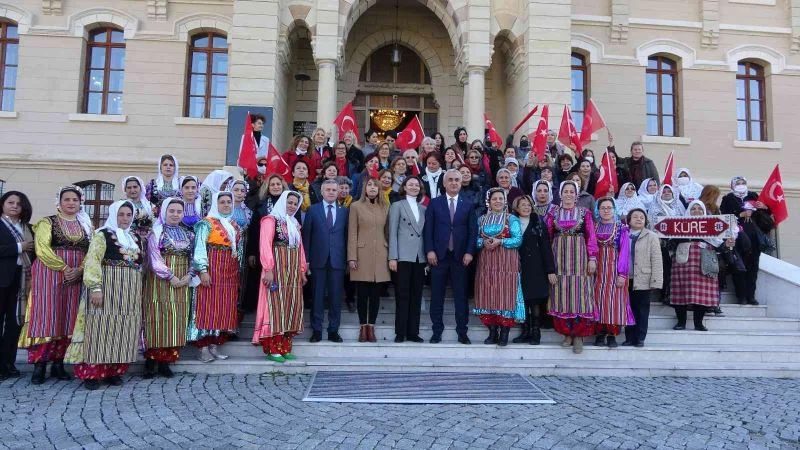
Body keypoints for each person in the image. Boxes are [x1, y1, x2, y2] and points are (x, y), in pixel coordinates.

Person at [65, 200, 143, 390]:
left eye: (128, 215)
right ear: (114, 214)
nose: (125, 218)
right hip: (107, 288)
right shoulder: (102, 234)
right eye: (121, 214)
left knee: (122, 330)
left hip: (128, 292)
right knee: (99, 329)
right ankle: (92, 374)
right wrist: (96, 288)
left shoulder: (134, 237)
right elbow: (92, 261)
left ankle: (113, 371)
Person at [19, 186, 92, 384]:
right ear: (59, 202)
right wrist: (64, 267)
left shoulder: (85, 225)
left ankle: (59, 363)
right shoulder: (47, 222)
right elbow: (42, 248)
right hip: (49, 272)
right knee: (47, 315)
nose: (71, 203)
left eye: (75, 200)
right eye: (66, 199)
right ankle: (39, 365)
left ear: (80, 202)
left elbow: (92, 250)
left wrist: (80, 269)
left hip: (76, 275)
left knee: (68, 316)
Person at [424, 169, 478, 345]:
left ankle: (462, 332)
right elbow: (428, 230)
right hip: (438, 256)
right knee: (437, 296)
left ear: (461, 182)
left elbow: (473, 231)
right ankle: (436, 331)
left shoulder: (468, 204)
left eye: (457, 180)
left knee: (461, 297)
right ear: (445, 183)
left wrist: (470, 252)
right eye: (451, 180)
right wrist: (430, 250)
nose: (454, 182)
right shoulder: (435, 203)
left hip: (461, 257)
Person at [188, 191, 242, 362]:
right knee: (207, 307)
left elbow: (238, 250)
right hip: (212, 268)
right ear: (215, 204)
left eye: (228, 202)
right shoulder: (206, 223)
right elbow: (200, 247)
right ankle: (203, 348)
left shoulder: (234, 225)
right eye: (222, 202)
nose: (226, 205)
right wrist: (202, 270)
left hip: (228, 271)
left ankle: (214, 346)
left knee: (222, 307)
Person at [253, 191, 307, 362]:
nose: (291, 206)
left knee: (290, 306)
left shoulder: (295, 223)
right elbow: (265, 245)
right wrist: (268, 269)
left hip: (292, 270)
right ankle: (272, 348)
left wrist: (302, 269)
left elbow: (300, 248)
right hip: (276, 269)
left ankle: (284, 347)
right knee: (275, 306)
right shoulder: (270, 220)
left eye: (294, 204)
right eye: (289, 202)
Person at [142, 198, 193, 378]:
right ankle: (151, 360)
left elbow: (194, 256)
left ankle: (166, 361)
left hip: (182, 281)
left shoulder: (188, 233)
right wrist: (171, 277)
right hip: (160, 280)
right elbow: (154, 258)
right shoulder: (156, 232)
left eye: (179, 211)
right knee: (157, 317)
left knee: (176, 319)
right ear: (164, 212)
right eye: (171, 211)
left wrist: (189, 275)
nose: (175, 214)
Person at [545, 180, 598, 354]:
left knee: (580, 296)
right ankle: (566, 333)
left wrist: (592, 258)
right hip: (559, 261)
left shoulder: (585, 213)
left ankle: (578, 335)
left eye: (571, 192)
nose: (568, 194)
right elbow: (547, 239)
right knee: (561, 296)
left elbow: (591, 237)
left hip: (580, 262)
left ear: (576, 195)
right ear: (560, 194)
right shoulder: (553, 213)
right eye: (565, 191)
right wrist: (549, 267)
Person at [473, 188, 524, 347]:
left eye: (501, 198)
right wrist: (483, 243)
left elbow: (518, 240)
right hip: (487, 261)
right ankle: (492, 331)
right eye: (494, 199)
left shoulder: (512, 219)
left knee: (505, 294)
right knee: (488, 293)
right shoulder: (481, 220)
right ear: (489, 201)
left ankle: (504, 333)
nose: (498, 201)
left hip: (507, 262)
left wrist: (500, 242)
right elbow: (474, 239)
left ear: (504, 200)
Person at [669, 200, 729, 331]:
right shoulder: (679, 226)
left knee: (702, 293)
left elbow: (721, 246)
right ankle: (681, 322)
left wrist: (728, 244)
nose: (697, 211)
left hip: (705, 259)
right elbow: (671, 243)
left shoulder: (712, 227)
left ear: (704, 211)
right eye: (693, 209)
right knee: (681, 290)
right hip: (683, 260)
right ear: (688, 211)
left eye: (700, 209)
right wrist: (682, 236)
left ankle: (698, 323)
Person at [303, 179, 349, 343]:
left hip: (337, 260)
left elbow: (346, 237)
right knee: (317, 296)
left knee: (336, 297)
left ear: (338, 193)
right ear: (321, 192)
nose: (331, 192)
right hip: (317, 260)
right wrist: (306, 260)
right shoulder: (312, 210)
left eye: (334, 190)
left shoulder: (344, 212)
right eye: (328, 189)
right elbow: (306, 237)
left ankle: (333, 330)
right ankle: (316, 330)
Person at [348, 176, 390, 343]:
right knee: (363, 293)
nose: (372, 188)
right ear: (364, 188)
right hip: (362, 254)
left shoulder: (385, 207)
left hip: (380, 253)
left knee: (375, 294)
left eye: (375, 186)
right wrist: (352, 256)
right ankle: (362, 326)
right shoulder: (356, 206)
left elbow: (387, 232)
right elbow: (352, 232)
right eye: (370, 185)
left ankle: (371, 327)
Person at [720, 176, 773, 305]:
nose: (741, 184)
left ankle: (751, 296)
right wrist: (740, 214)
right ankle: (741, 296)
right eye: (738, 183)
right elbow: (724, 217)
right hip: (737, 239)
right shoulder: (728, 199)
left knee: (753, 268)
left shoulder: (753, 196)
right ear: (732, 186)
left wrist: (765, 207)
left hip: (754, 239)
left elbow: (768, 214)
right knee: (739, 268)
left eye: (743, 182)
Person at [511, 195, 555, 345]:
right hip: (517, 266)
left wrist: (550, 270)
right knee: (521, 300)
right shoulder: (511, 222)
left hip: (536, 267)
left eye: (528, 205)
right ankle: (525, 331)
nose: (526, 207)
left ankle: (536, 332)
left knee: (535, 300)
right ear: (516, 208)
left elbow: (546, 248)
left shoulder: (538, 222)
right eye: (522, 205)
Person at [388, 176, 427, 343]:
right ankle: (400, 332)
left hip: (419, 257)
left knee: (416, 295)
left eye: (416, 185)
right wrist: (393, 257)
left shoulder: (424, 208)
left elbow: (424, 235)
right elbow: (392, 232)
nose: (414, 187)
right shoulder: (397, 206)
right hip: (403, 256)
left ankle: (413, 332)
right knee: (402, 294)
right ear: (404, 187)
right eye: (410, 184)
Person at [0, 191, 34, 379]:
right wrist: (19, 247)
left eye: (19, 204)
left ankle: (8, 363)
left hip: (21, 280)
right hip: (2, 279)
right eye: (10, 202)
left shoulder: (26, 227)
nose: (14, 206)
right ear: (3, 204)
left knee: (14, 324)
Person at [592, 197, 632, 348]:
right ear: (598, 210)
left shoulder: (622, 228)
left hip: (615, 268)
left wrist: (622, 274)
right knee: (598, 300)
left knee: (614, 302)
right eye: (603, 208)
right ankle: (600, 332)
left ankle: (612, 334)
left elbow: (625, 252)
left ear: (614, 210)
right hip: (598, 269)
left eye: (609, 208)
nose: (606, 211)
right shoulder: (594, 227)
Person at [245, 174, 288, 313]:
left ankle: (278, 309)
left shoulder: (290, 204)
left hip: (283, 251)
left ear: (283, 186)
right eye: (272, 184)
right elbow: (254, 230)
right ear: (268, 188)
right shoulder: (261, 205)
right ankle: (262, 312)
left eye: (278, 184)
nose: (276, 187)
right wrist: (251, 252)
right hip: (263, 250)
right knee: (263, 281)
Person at [623, 208, 662, 347]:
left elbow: (656, 259)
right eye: (635, 217)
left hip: (644, 279)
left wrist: (656, 280)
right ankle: (629, 337)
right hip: (626, 279)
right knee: (628, 310)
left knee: (642, 310)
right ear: (629, 220)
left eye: (642, 217)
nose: (639, 219)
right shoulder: (623, 234)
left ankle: (640, 338)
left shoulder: (651, 236)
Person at [648, 184, 685, 305]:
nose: (667, 193)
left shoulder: (679, 206)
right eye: (664, 191)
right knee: (665, 268)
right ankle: (665, 294)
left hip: (678, 243)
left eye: (670, 191)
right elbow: (651, 227)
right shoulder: (654, 207)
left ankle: (676, 295)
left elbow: (685, 225)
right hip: (660, 243)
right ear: (660, 194)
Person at [120, 176, 154, 241]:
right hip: (127, 239)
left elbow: (154, 223)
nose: (132, 190)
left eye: (135, 187)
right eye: (129, 188)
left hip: (147, 239)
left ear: (140, 188)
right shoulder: (121, 205)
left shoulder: (149, 205)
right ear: (125, 189)